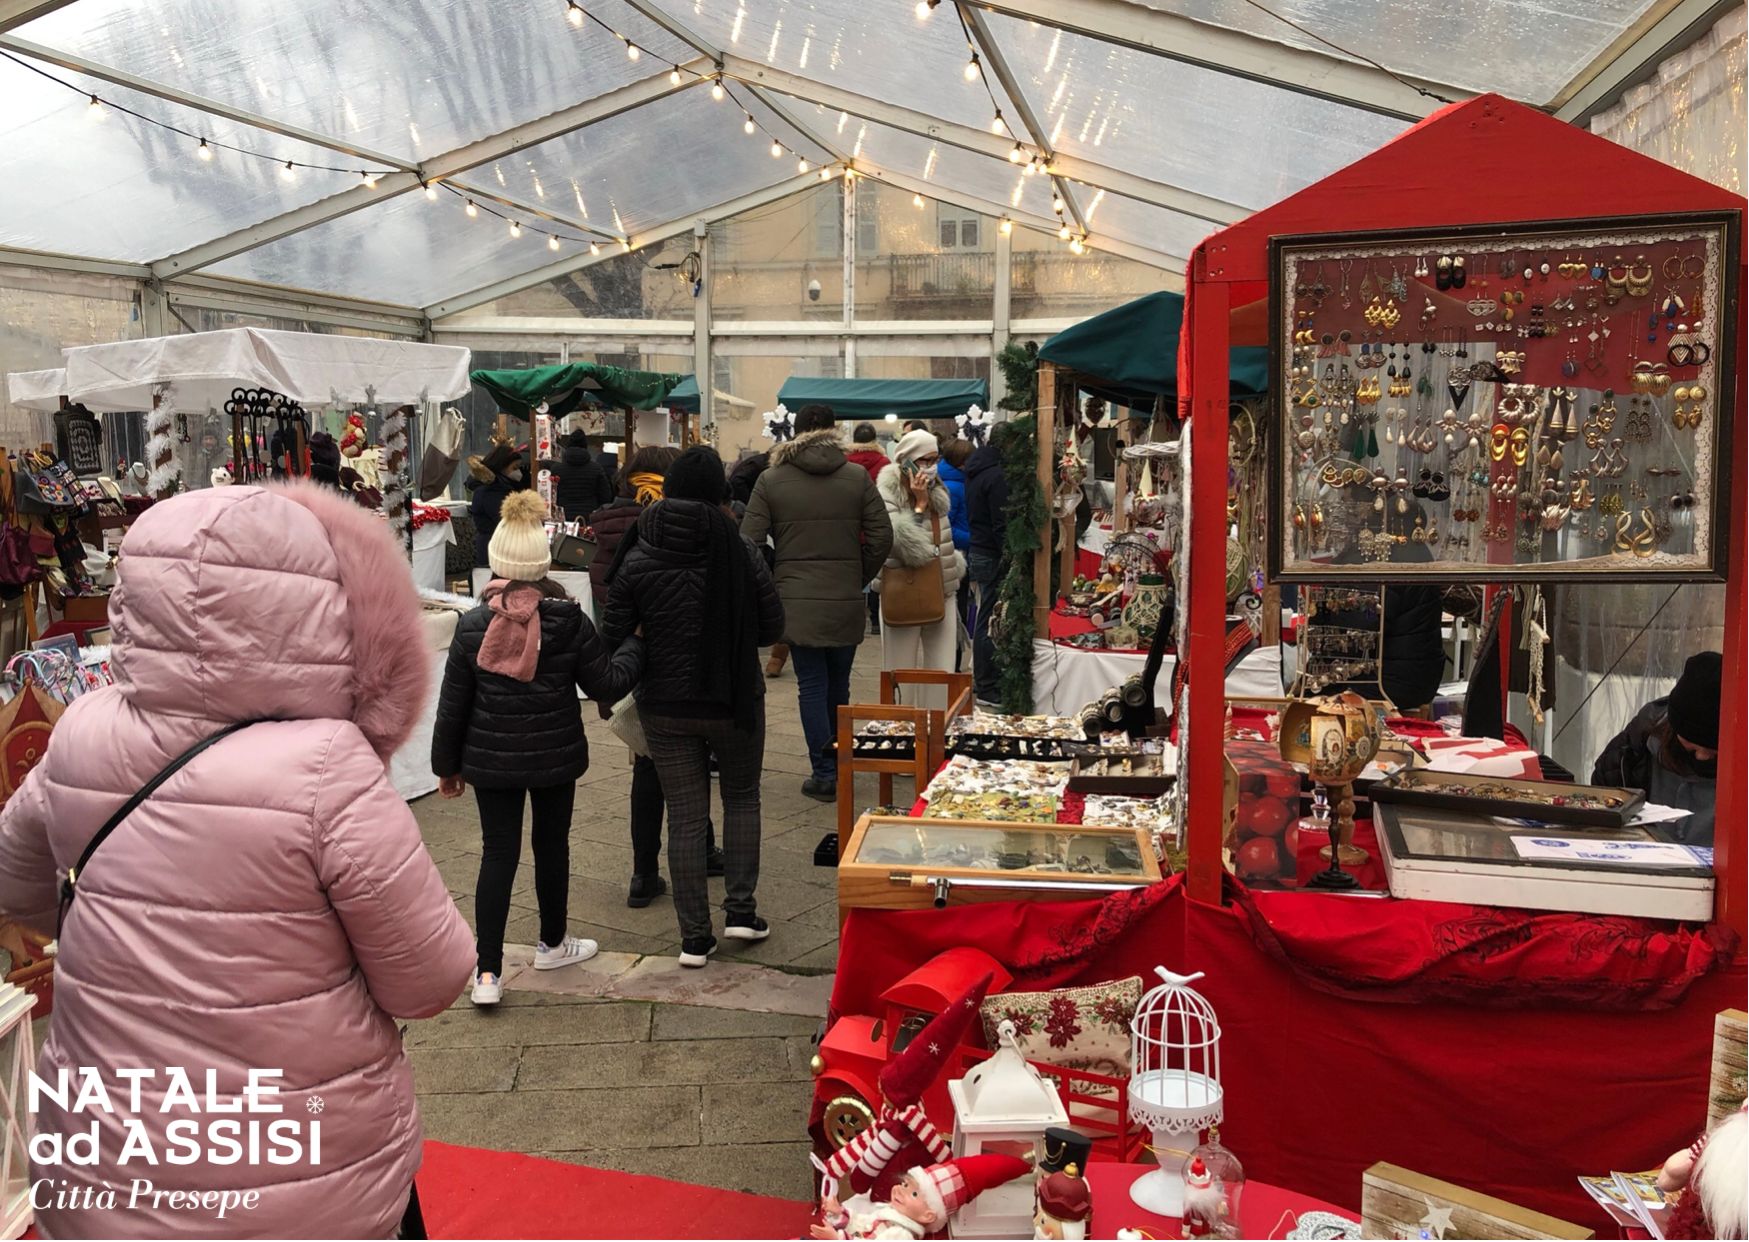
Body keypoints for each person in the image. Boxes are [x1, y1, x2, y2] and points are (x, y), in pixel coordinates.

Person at [0, 482, 475, 1239]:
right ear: (316, 606)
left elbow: (19, 887)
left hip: (103, 1161)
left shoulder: (82, 732)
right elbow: (431, 978)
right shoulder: (326, 766)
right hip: (296, 1170)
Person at [432, 490, 646, 1006]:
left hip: (489, 758)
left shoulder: (471, 626)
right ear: (543, 562)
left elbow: (452, 704)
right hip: (555, 756)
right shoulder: (567, 620)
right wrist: (638, 642)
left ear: (497, 560)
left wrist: (446, 766)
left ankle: (487, 973)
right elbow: (607, 684)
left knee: (496, 853)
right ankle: (552, 941)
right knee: (553, 846)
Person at [602, 446, 785, 966]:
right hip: (733, 698)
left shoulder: (640, 550)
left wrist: (647, 637)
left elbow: (615, 632)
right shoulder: (742, 549)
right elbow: (774, 628)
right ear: (720, 497)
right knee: (742, 798)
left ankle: (694, 938)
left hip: (665, 705)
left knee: (684, 814)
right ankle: (742, 913)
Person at [588, 446, 723, 908]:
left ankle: (643, 872)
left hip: (632, 659)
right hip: (681, 660)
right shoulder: (673, 522)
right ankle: (701, 850)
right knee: (691, 758)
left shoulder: (606, 520)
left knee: (646, 766)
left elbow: (610, 601)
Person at [742, 405, 893, 802]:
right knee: (838, 685)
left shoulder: (771, 479)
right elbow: (882, 536)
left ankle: (824, 773)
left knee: (811, 685)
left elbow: (749, 543)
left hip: (795, 597)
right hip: (845, 595)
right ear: (833, 431)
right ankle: (840, 764)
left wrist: (775, 582)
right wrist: (858, 577)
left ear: (795, 431)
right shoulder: (857, 476)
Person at [1593, 651, 1719, 845]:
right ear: (1673, 726)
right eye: (1692, 746)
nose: (1701, 757)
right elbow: (1600, 802)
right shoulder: (1635, 749)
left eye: (1713, 751)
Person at [876, 430, 965, 694]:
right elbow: (903, 545)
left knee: (942, 671)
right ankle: (901, 729)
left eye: (935, 458)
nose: (931, 466)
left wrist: (953, 567)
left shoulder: (938, 488)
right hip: (902, 590)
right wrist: (919, 505)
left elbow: (943, 539)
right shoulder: (886, 492)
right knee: (899, 672)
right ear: (906, 461)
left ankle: (936, 729)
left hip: (941, 588)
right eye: (925, 460)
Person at [963, 431, 1010, 706]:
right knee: (989, 618)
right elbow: (1000, 522)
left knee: (986, 613)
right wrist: (1010, 554)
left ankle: (985, 680)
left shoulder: (979, 469)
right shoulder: (997, 475)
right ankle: (987, 684)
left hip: (980, 549)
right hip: (991, 553)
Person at [937, 438, 973, 670]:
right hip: (957, 555)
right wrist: (974, 538)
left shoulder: (953, 482)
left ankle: (954, 661)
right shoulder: (955, 487)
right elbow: (947, 527)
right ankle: (953, 663)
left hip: (959, 552)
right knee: (956, 610)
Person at [468, 441, 528, 568]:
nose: (519, 473)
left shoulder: (503, 487)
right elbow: (505, 520)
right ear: (501, 467)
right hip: (495, 549)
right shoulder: (491, 491)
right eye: (515, 468)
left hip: (497, 546)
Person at [553, 429, 615, 521]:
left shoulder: (556, 469)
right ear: (585, 446)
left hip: (563, 518)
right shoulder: (596, 468)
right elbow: (606, 496)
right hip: (590, 518)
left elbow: (552, 495)